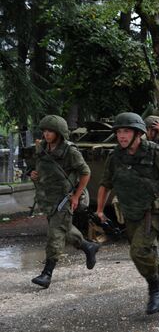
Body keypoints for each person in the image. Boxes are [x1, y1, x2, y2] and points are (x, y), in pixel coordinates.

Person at [96, 112, 159, 314]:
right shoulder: (115, 156)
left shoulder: (154, 152)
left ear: (138, 133)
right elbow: (105, 184)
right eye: (119, 132)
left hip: (152, 213)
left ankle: (155, 290)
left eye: (127, 131)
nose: (122, 136)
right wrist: (99, 210)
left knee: (138, 252)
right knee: (146, 254)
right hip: (130, 213)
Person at [30, 115, 99, 289]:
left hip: (64, 199)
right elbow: (38, 167)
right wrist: (34, 174)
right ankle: (88, 246)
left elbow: (86, 172)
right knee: (64, 229)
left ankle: (47, 273)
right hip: (47, 198)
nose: (46, 134)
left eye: (50, 131)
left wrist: (76, 196)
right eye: (44, 131)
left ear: (59, 133)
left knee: (55, 235)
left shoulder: (70, 151)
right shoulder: (42, 148)